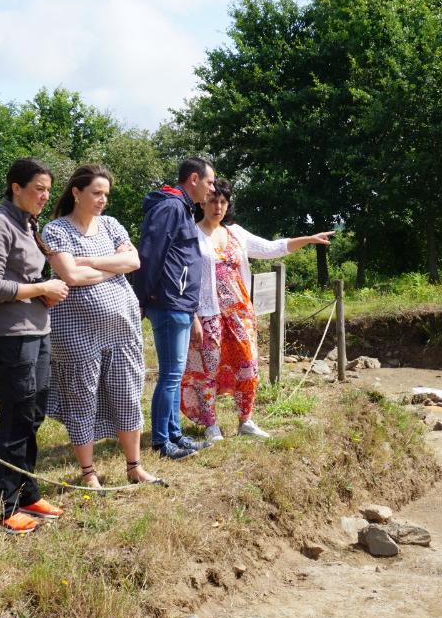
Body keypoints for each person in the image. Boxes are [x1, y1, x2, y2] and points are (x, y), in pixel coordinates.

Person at [181, 178, 333, 440]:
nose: (218, 206)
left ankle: (246, 420)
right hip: (208, 314)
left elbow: (272, 247)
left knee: (248, 364)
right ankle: (211, 425)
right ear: (203, 202)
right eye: (213, 200)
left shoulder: (236, 233)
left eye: (223, 202)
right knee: (208, 369)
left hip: (240, 312)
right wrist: (192, 315)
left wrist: (308, 239)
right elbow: (186, 279)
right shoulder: (192, 235)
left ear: (228, 206)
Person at [41, 164, 160, 487]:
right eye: (96, 193)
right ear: (76, 193)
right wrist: (111, 267)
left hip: (122, 330)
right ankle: (88, 473)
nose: (102, 199)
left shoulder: (111, 225)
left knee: (127, 394)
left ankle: (134, 466)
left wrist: (88, 262)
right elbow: (70, 276)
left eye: (106, 194)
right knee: (83, 399)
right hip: (75, 332)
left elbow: (133, 262)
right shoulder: (56, 231)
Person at [0, 157, 69, 535]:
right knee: (14, 418)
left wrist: (42, 294)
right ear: (16, 187)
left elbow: (22, 277)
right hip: (9, 336)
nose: (45, 196)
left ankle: (26, 491)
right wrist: (42, 288)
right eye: (38, 189)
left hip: (37, 330)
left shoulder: (28, 224)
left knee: (33, 414)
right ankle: (3, 506)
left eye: (48, 189)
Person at [132, 157, 216, 459]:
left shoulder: (181, 208)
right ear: (193, 179)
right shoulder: (170, 208)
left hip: (178, 303)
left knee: (175, 373)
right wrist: (141, 299)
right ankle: (161, 441)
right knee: (170, 373)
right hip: (168, 302)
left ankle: (175, 435)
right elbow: (150, 255)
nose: (212, 188)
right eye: (209, 182)